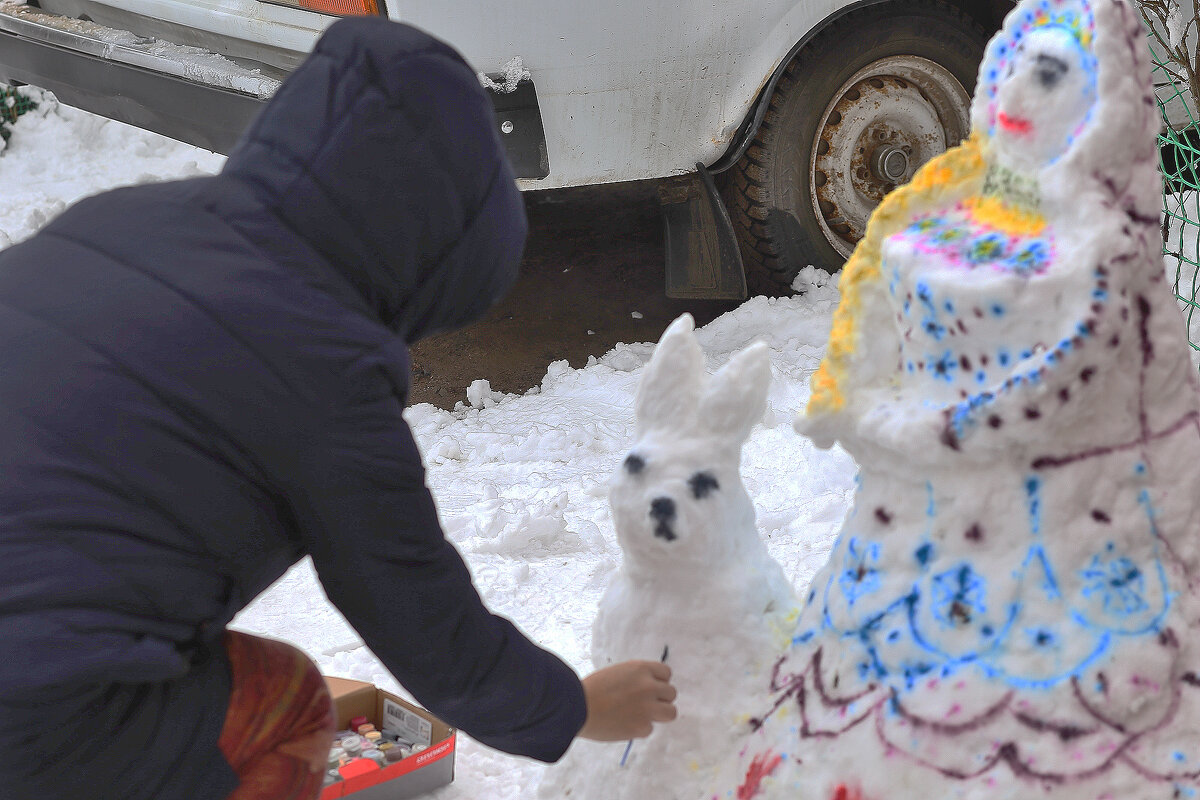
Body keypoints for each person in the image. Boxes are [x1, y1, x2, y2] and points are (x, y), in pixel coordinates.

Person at [0, 17, 676, 800]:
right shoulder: (324, 363)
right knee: (285, 700)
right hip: (34, 717)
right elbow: (427, 626)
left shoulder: (119, 219)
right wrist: (575, 707)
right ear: (424, 253)